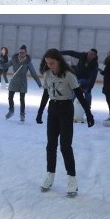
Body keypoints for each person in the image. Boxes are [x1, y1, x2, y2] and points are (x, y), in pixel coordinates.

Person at [35, 48, 81, 197]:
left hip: (66, 110)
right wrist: (40, 111)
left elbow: (79, 95)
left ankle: (72, 179)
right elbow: (45, 94)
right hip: (53, 110)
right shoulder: (47, 74)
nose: (49, 66)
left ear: (59, 61)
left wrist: (88, 113)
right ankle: (50, 175)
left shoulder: (69, 75)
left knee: (65, 146)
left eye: (52, 63)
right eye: (47, 63)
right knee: (51, 145)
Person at [60, 48, 98, 125]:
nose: (89, 55)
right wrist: (59, 52)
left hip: (87, 80)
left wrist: (90, 87)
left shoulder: (95, 64)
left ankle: (88, 111)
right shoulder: (82, 55)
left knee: (87, 94)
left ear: (94, 56)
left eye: (91, 54)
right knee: (75, 93)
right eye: (89, 53)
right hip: (78, 77)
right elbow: (71, 52)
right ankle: (68, 110)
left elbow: (93, 77)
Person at [6, 45, 42, 122]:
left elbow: (33, 73)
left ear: (25, 53)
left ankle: (22, 114)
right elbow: (7, 64)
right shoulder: (14, 59)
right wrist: (1, 65)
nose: (20, 54)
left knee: (22, 99)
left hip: (22, 81)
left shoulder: (28, 62)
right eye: (19, 52)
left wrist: (39, 83)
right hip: (14, 79)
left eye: (22, 53)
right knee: (10, 96)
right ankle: (11, 110)